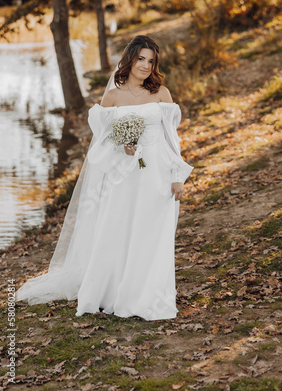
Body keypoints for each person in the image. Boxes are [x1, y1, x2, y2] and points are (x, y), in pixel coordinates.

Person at [15, 35, 193, 321]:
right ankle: (112, 292)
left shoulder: (162, 94)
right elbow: (103, 141)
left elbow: (172, 140)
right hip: (124, 174)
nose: (146, 66)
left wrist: (177, 176)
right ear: (130, 59)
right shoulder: (113, 97)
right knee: (120, 227)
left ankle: (147, 294)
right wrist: (123, 145)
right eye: (141, 59)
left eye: (151, 61)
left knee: (151, 231)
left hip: (157, 172)